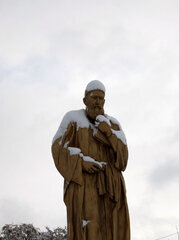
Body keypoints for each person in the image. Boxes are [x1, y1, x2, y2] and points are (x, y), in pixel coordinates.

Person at [51, 80, 130, 240]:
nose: (98, 102)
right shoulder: (73, 120)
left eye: (101, 99)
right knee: (89, 229)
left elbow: (123, 159)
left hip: (111, 190)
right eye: (94, 97)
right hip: (85, 188)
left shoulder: (113, 125)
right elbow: (57, 148)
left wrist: (108, 133)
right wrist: (81, 163)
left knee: (111, 231)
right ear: (85, 100)